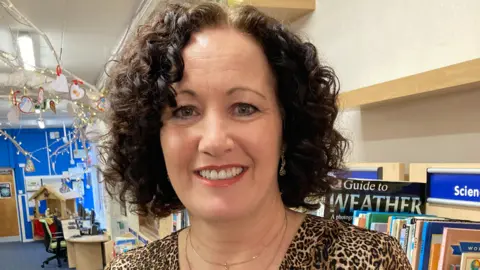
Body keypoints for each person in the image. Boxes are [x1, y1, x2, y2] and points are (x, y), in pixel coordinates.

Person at [102, 1, 411, 269]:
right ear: (152, 137)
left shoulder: (372, 261)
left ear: (287, 128)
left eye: (244, 108)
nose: (214, 141)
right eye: (185, 110)